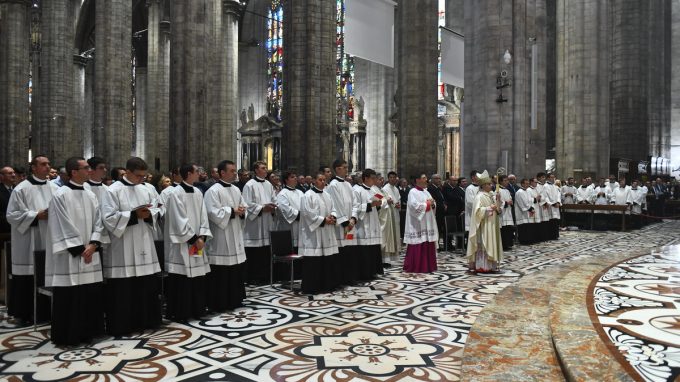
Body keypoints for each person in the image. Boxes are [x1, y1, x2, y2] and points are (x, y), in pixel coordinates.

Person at [45, 157, 105, 345]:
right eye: (85, 168)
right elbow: (61, 224)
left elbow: (99, 220)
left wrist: (94, 244)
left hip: (90, 251)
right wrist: (81, 249)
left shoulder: (90, 194)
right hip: (70, 255)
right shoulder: (60, 195)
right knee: (71, 296)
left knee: (89, 294)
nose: (89, 170)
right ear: (73, 172)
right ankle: (68, 335)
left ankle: (89, 332)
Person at [100, 157, 162, 335]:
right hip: (123, 247)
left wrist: (150, 213)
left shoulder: (146, 189)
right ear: (127, 172)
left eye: (144, 176)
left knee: (146, 286)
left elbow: (158, 208)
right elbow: (108, 218)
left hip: (144, 241)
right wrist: (134, 216)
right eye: (138, 176)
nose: (142, 179)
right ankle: (123, 325)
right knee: (124, 289)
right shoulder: (113, 191)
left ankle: (147, 321)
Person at [6, 155, 57, 323]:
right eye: (43, 164)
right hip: (28, 239)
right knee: (28, 276)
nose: (47, 167)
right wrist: (36, 215)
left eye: (48, 164)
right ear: (33, 167)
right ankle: (25, 313)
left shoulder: (54, 188)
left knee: (46, 273)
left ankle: (47, 312)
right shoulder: (21, 188)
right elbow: (12, 215)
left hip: (49, 236)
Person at [164, 163, 212, 321]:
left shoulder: (198, 191)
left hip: (197, 242)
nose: (199, 173)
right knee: (182, 278)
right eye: (197, 171)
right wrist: (193, 238)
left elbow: (203, 214)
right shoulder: (175, 193)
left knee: (197, 277)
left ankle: (197, 309)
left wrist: (202, 236)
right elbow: (178, 219)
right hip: (183, 243)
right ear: (189, 173)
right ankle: (181, 312)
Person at [204, 160, 247, 311]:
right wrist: (232, 211)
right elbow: (211, 212)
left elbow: (243, 206)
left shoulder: (236, 190)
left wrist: (242, 211)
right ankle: (220, 301)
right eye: (232, 171)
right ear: (222, 173)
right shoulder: (213, 191)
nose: (235, 173)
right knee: (221, 271)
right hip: (221, 236)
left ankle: (235, 299)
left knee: (235, 269)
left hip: (234, 232)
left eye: (235, 171)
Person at [299, 172, 339, 294]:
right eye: (320, 180)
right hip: (313, 235)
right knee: (314, 261)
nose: (323, 182)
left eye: (324, 180)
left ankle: (327, 285)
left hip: (327, 233)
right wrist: (323, 220)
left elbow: (334, 208)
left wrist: (333, 217)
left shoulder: (327, 195)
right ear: (314, 181)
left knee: (327, 260)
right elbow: (307, 213)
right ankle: (312, 286)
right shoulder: (307, 195)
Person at [242, 161, 276, 284]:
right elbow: (246, 204)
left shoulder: (268, 184)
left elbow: (274, 199)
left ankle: (264, 276)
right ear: (256, 170)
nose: (266, 170)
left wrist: (273, 207)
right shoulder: (249, 185)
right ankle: (252, 277)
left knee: (265, 251)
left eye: (266, 167)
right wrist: (262, 208)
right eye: (263, 168)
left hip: (267, 221)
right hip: (254, 225)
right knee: (254, 252)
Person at [326, 159, 359, 285]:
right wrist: (346, 222)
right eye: (344, 167)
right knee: (341, 252)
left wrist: (353, 219)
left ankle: (349, 277)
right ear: (337, 169)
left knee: (350, 252)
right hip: (340, 226)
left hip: (350, 224)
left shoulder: (348, 185)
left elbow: (355, 203)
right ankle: (339, 279)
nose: (347, 169)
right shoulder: (333, 185)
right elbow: (337, 205)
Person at [467, 171, 503, 273]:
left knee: (492, 242)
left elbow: (498, 209)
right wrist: (489, 208)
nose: (490, 185)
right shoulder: (479, 196)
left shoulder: (490, 195)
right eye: (488, 184)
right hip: (484, 225)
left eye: (490, 184)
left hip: (492, 224)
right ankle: (482, 266)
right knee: (485, 244)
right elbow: (477, 211)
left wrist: (498, 201)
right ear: (483, 185)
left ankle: (491, 266)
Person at [352, 169, 384, 279]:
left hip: (373, 222)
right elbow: (355, 207)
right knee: (364, 250)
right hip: (363, 224)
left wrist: (379, 203)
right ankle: (364, 273)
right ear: (365, 178)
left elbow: (379, 201)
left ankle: (372, 271)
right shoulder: (356, 190)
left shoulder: (373, 190)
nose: (375, 180)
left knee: (373, 249)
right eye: (373, 178)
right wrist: (370, 205)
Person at [403, 173, 438, 273]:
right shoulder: (412, 192)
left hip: (427, 223)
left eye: (426, 178)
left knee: (427, 242)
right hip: (417, 224)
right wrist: (428, 204)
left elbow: (432, 204)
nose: (426, 180)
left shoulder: (426, 192)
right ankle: (417, 266)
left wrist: (433, 204)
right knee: (418, 242)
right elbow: (414, 206)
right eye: (424, 178)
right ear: (417, 180)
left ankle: (429, 266)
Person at [276, 170, 303, 249]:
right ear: (286, 180)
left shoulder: (300, 192)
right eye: (292, 177)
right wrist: (301, 214)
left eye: (295, 176)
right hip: (289, 227)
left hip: (301, 225)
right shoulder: (282, 194)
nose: (295, 178)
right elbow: (285, 209)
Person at [380, 171, 401, 267]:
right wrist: (392, 203)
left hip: (395, 214)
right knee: (388, 237)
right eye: (391, 177)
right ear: (388, 178)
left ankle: (390, 258)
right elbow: (384, 201)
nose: (392, 179)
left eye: (394, 177)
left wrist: (398, 204)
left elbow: (397, 200)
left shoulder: (396, 189)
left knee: (394, 236)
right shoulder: (385, 189)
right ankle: (385, 259)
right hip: (387, 215)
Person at [514, 178, 536, 245]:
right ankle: (523, 241)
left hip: (528, 210)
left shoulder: (528, 191)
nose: (527, 185)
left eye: (528, 183)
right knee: (523, 227)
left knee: (528, 227)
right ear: (522, 184)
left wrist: (531, 207)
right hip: (522, 212)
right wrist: (529, 208)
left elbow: (530, 200)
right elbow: (522, 203)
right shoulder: (519, 192)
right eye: (526, 183)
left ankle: (528, 240)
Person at [427, 174, 446, 249]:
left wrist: (444, 204)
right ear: (432, 180)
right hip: (436, 212)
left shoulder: (439, 188)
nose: (439, 180)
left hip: (441, 212)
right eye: (437, 178)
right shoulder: (431, 189)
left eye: (439, 178)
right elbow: (433, 200)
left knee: (440, 228)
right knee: (436, 228)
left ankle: (438, 244)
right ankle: (435, 245)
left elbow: (441, 199)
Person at [497, 175, 515, 251]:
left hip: (508, 212)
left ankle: (508, 244)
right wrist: (506, 203)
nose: (507, 182)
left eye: (507, 180)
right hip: (502, 214)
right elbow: (498, 202)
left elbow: (510, 199)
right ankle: (503, 245)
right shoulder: (498, 191)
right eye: (505, 180)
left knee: (508, 229)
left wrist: (510, 202)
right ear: (501, 181)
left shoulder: (507, 190)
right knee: (503, 230)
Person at [544, 174, 562, 240]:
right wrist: (552, 204)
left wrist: (558, 202)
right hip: (550, 207)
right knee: (550, 221)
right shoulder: (545, 186)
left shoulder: (556, 187)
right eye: (551, 177)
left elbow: (558, 195)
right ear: (548, 178)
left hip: (556, 206)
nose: (553, 178)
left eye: (554, 177)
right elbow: (545, 196)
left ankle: (555, 235)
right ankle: (549, 235)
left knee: (555, 221)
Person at [464, 170, 480, 244]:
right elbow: (470, 202)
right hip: (472, 215)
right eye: (477, 176)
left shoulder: (481, 187)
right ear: (473, 177)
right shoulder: (469, 188)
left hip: (480, 215)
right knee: (472, 234)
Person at [0, 166, 16, 235]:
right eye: (10, 173)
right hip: (4, 229)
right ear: (2, 177)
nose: (13, 175)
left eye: (13, 173)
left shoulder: (19, 189)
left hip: (20, 227)